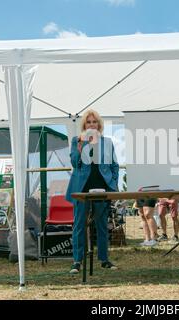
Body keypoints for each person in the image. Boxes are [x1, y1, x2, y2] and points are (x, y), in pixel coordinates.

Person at [65, 109, 119, 274]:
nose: (92, 124)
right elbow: (75, 163)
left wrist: (113, 183)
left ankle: (104, 259)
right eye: (88, 122)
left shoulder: (107, 142)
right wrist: (82, 143)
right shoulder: (77, 140)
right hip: (82, 188)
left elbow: (114, 166)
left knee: (102, 225)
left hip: (102, 187)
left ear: (99, 124)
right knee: (79, 225)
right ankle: (77, 261)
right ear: (84, 125)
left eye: (94, 122)